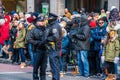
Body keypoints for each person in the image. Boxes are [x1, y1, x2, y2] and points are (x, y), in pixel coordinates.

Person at [27, 15, 48, 80]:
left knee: (44, 66)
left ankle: (43, 78)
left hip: (45, 49)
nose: (42, 22)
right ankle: (35, 78)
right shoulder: (33, 30)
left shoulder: (46, 29)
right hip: (37, 49)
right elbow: (29, 39)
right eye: (40, 21)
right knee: (36, 66)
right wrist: (37, 43)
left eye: (42, 21)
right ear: (37, 22)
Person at [46, 13, 62, 80]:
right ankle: (55, 77)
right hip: (52, 47)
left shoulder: (55, 26)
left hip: (54, 47)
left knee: (54, 64)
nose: (48, 19)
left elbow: (55, 37)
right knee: (53, 64)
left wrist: (47, 39)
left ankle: (56, 78)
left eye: (49, 18)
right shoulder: (52, 25)